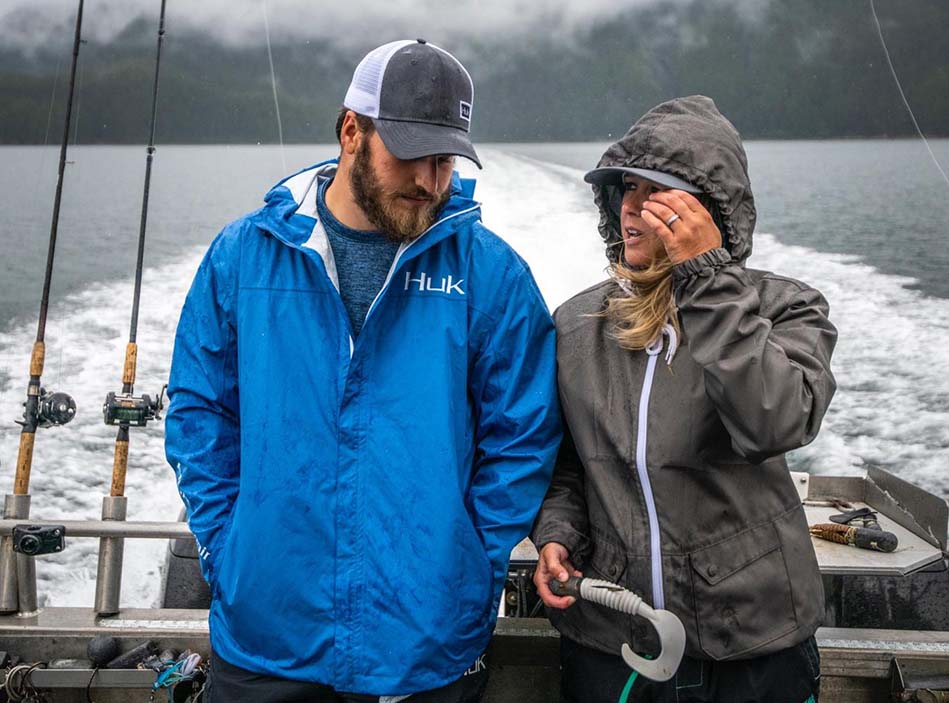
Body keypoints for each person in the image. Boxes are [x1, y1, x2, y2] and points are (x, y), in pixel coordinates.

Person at [165, 39, 561, 702]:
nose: (433, 181)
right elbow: (200, 409)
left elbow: (522, 435)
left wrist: (468, 563)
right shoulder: (243, 257)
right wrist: (228, 547)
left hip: (423, 645)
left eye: (447, 159)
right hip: (266, 635)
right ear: (352, 130)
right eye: (413, 154)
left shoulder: (489, 273)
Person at [531, 95, 837, 703]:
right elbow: (568, 462)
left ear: (713, 211)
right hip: (614, 635)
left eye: (659, 194)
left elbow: (775, 420)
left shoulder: (786, 310)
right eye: (624, 190)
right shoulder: (577, 325)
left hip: (752, 640)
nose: (633, 210)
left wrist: (708, 281)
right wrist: (555, 533)